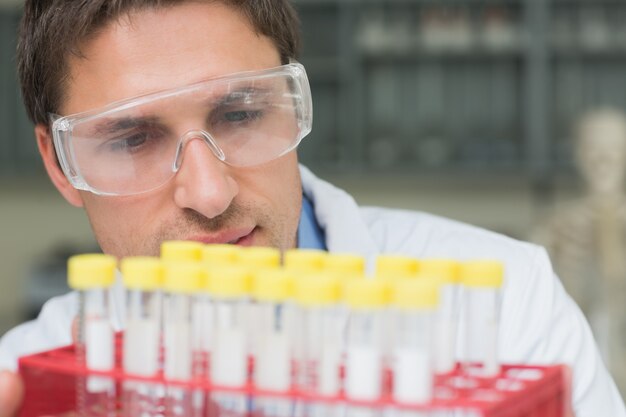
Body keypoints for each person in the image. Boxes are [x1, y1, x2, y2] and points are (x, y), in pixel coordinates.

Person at [0, 1, 624, 416]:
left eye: (240, 113)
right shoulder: (25, 383)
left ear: (295, 103)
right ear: (60, 165)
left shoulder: (509, 306)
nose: (210, 193)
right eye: (133, 139)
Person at [534, 108, 626, 394]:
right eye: (593, 149)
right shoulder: (555, 227)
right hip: (577, 377)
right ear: (578, 154)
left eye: (614, 150)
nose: (603, 160)